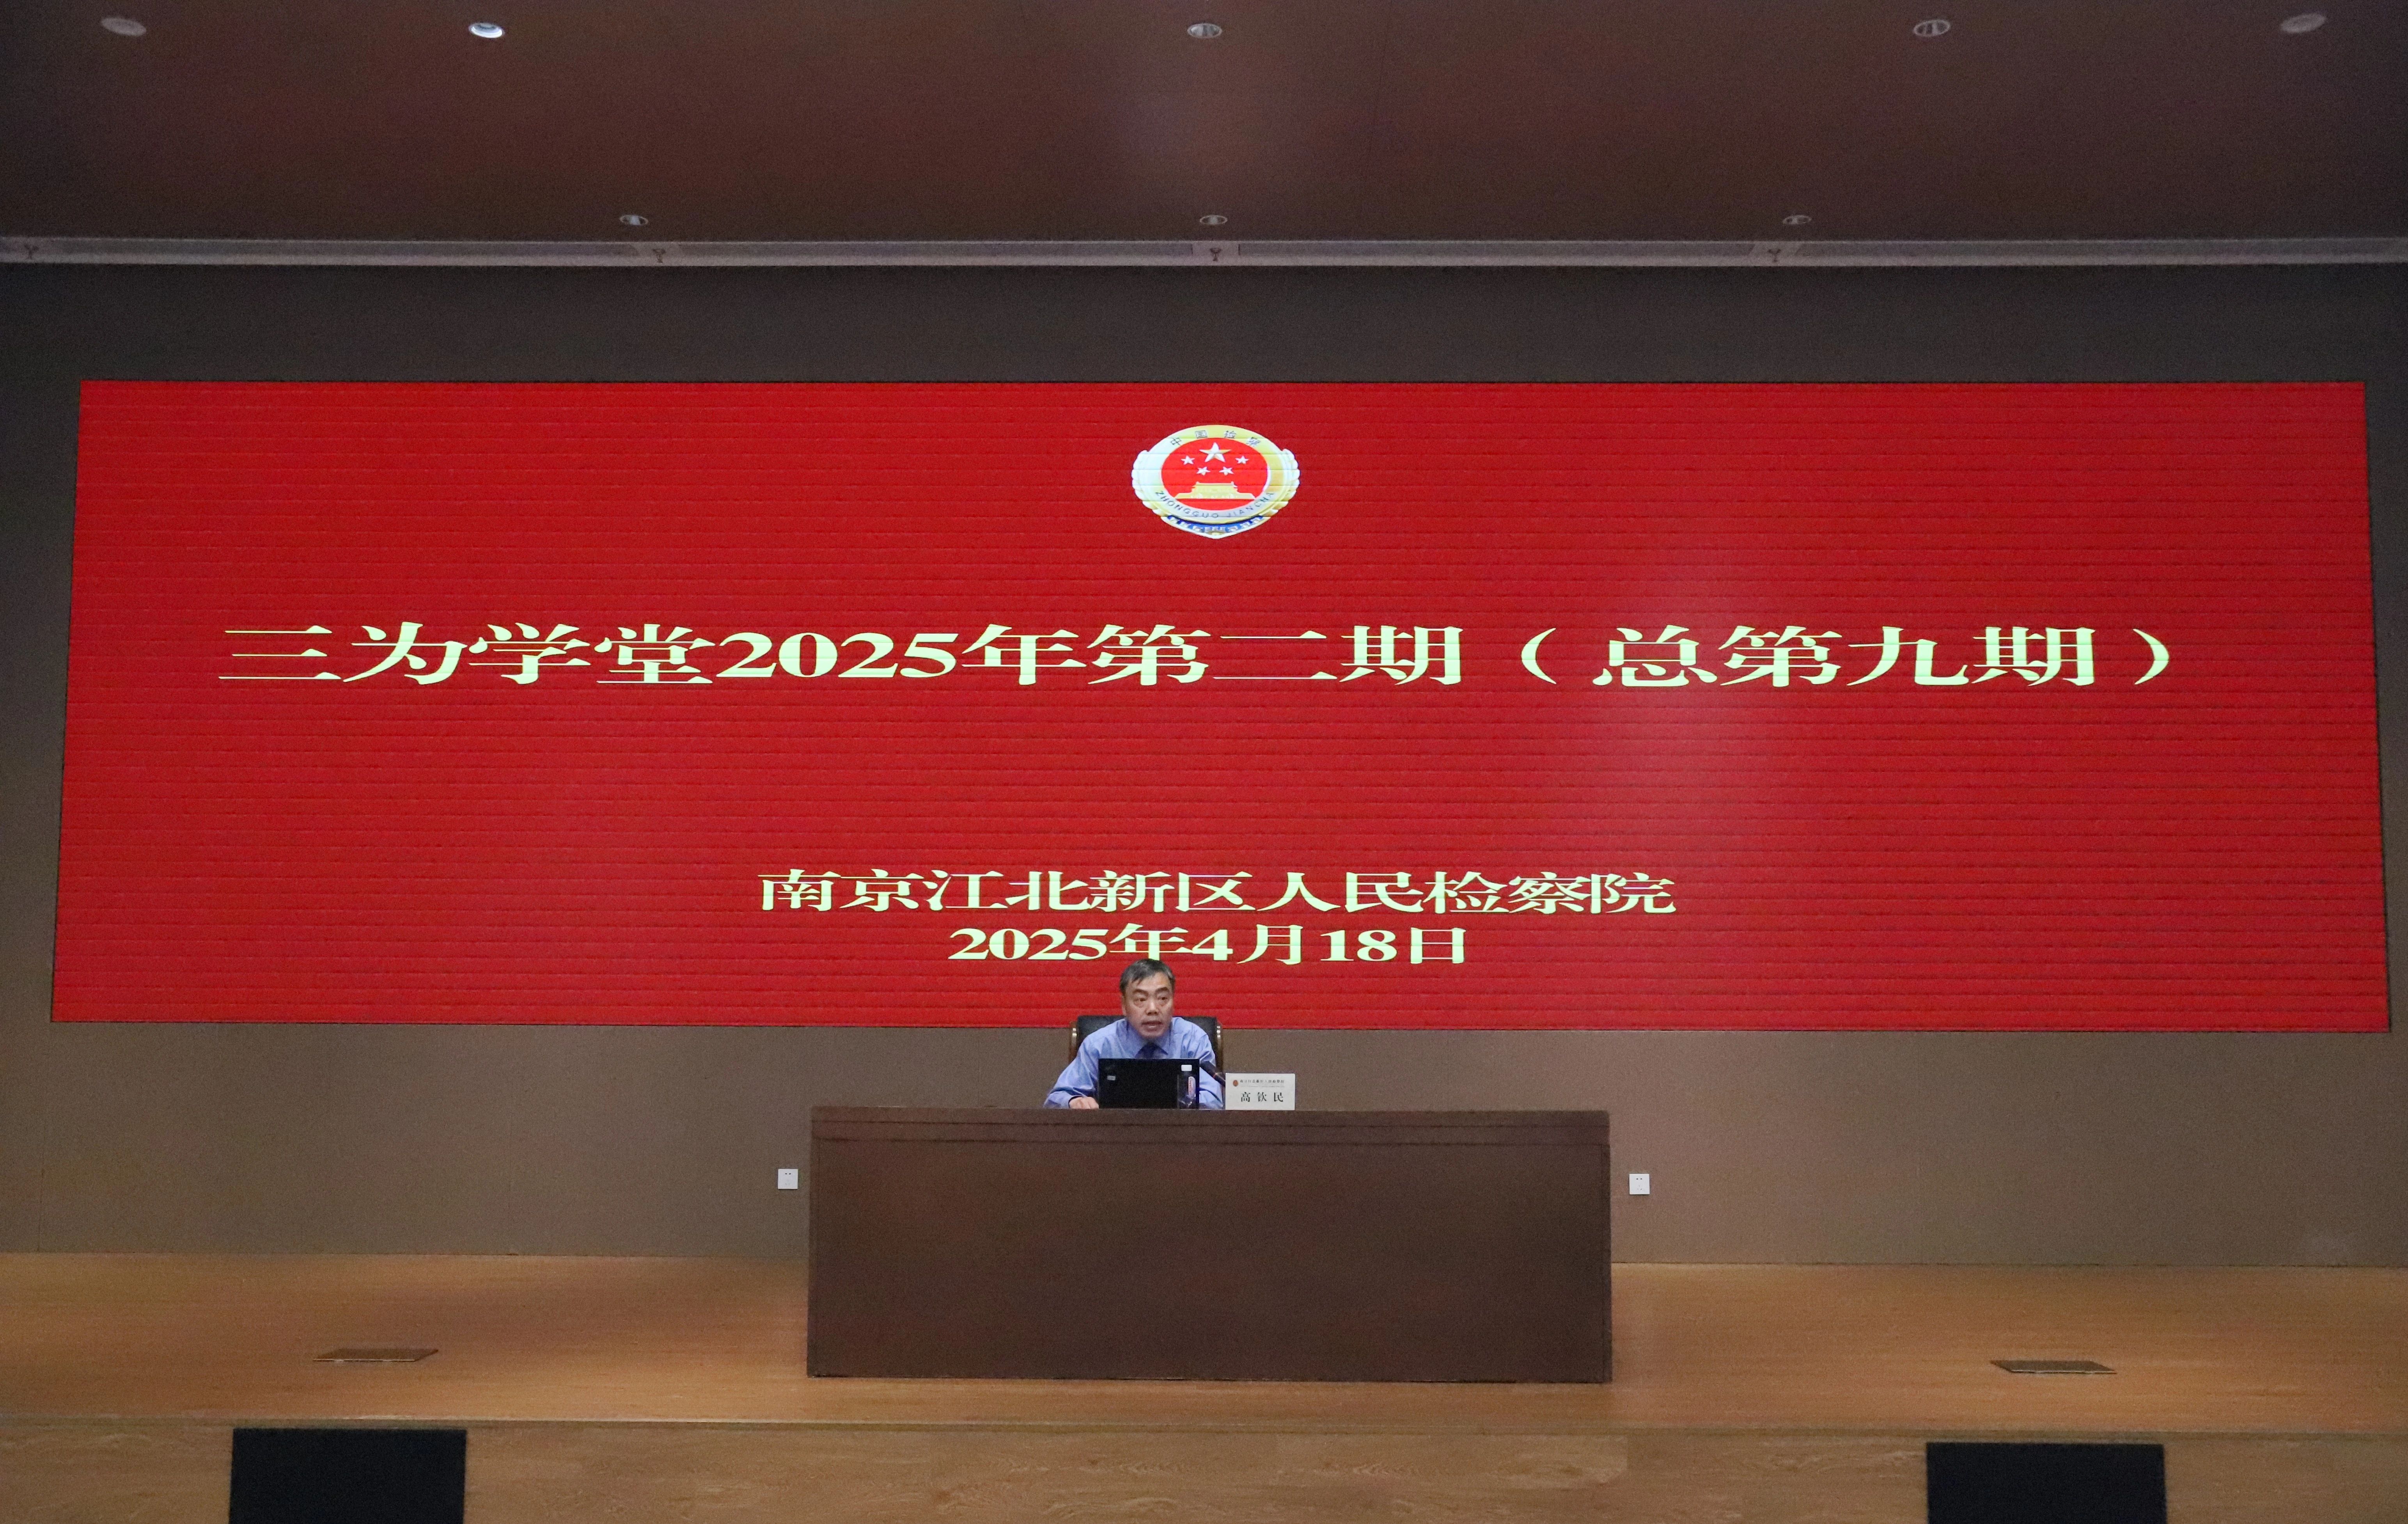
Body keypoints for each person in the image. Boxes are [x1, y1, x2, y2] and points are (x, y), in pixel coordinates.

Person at [1046, 959, 1224, 1109]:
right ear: (1124, 1005)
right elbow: (1056, 1099)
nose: (1153, 1009)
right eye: (1141, 1000)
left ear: (1173, 1001)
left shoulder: (1193, 1041)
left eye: (1163, 999)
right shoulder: (1100, 1044)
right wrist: (1074, 1102)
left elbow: (1213, 1103)